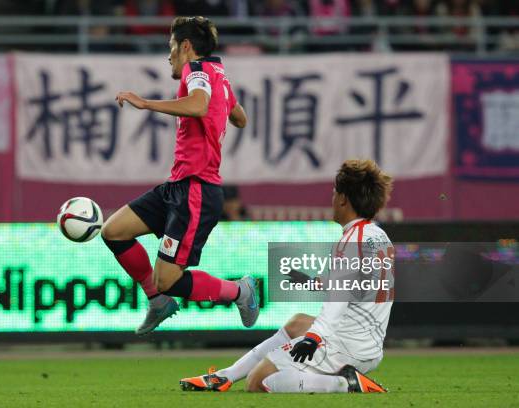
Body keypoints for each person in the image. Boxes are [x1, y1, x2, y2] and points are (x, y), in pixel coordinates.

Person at [180, 159, 394, 393]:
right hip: (370, 345)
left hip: (346, 346)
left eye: (334, 193)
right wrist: (311, 282)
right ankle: (225, 376)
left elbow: (338, 300)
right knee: (297, 322)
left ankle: (346, 383)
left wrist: (313, 338)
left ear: (343, 199)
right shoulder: (379, 237)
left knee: (258, 382)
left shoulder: (350, 242)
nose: (332, 200)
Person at [103, 16, 257, 336]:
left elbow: (199, 105)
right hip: (177, 186)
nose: (169, 55)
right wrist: (222, 107)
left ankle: (240, 291)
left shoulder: (196, 70)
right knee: (113, 231)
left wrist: (145, 103)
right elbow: (240, 118)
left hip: (197, 190)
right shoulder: (220, 77)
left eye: (172, 47)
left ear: (186, 47)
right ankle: (157, 303)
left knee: (168, 280)